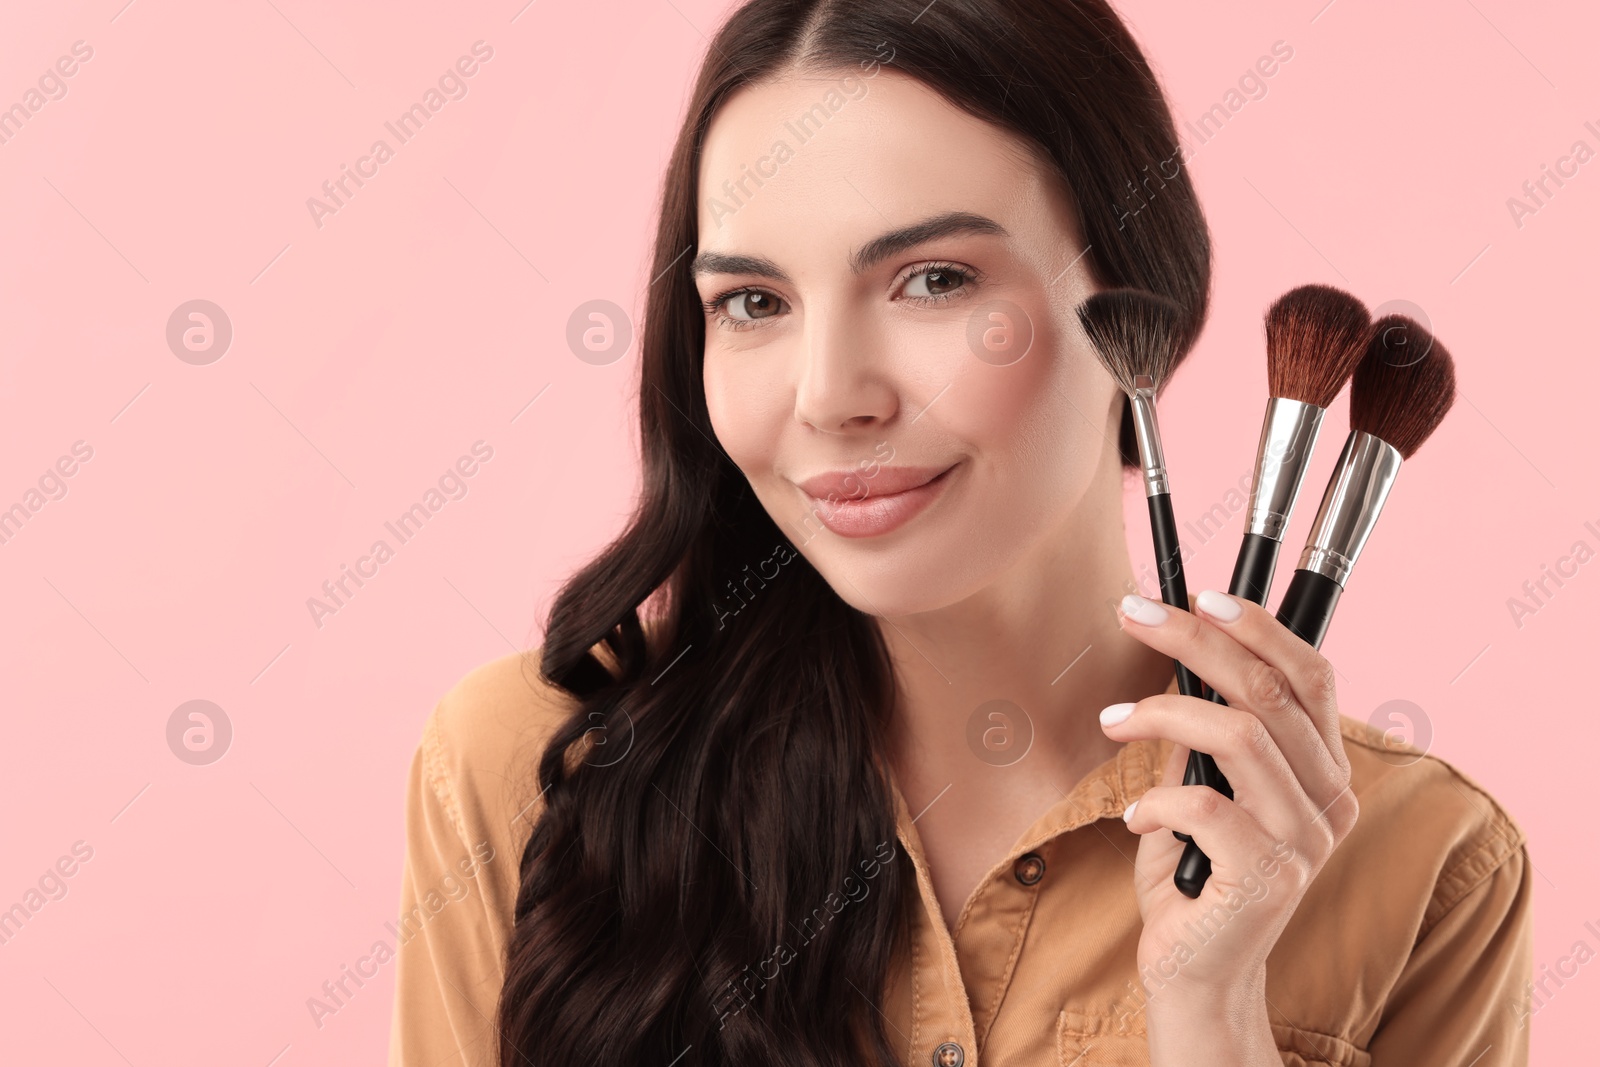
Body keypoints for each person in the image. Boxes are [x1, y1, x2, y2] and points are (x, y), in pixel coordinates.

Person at [387, 1, 1533, 1064]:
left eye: (933, 280)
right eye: (753, 302)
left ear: (1143, 301)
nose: (831, 394)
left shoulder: (1422, 863)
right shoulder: (529, 775)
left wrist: (1214, 1014)